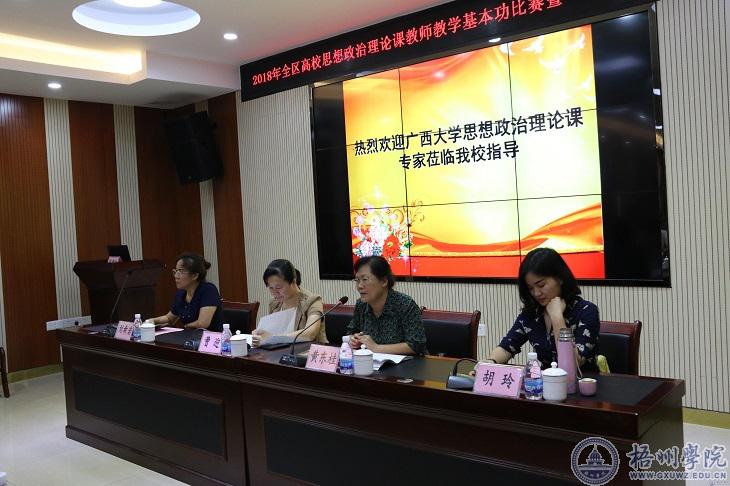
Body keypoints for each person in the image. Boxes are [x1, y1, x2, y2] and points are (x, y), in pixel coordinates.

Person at [483, 247, 600, 370]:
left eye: (541, 285)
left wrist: (557, 318)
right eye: (530, 288)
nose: (536, 293)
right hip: (546, 380)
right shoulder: (533, 313)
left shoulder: (586, 311)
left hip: (582, 380)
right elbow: (507, 347)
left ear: (560, 278)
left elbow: (574, 363)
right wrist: (489, 363)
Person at [346, 256, 426, 355]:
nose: (359, 286)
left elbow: (416, 345)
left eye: (365, 279)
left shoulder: (405, 304)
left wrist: (376, 348)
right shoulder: (361, 305)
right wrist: (354, 339)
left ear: (384, 281)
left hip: (409, 363)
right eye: (357, 280)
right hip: (372, 362)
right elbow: (351, 332)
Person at [252, 259, 328, 346]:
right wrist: (260, 334)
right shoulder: (274, 303)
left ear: (293, 281)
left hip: (309, 351)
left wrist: (273, 338)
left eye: (278, 288)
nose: (274, 293)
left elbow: (310, 333)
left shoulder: (312, 300)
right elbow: (271, 331)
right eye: (271, 288)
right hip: (280, 351)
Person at [151, 253, 223, 332]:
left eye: (181, 272)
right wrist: (152, 321)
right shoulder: (181, 293)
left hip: (210, 338)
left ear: (194, 276)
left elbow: (202, 323)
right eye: (175, 271)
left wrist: (184, 328)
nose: (176, 276)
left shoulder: (208, 290)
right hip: (189, 336)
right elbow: (169, 318)